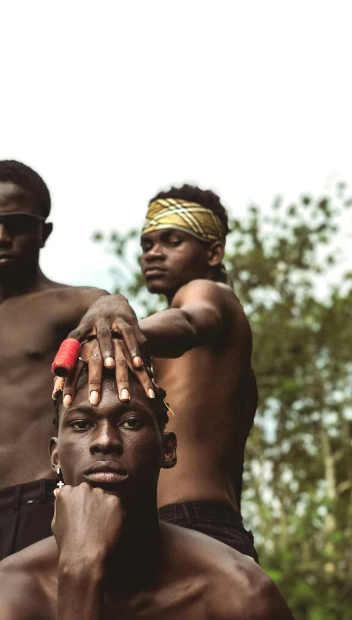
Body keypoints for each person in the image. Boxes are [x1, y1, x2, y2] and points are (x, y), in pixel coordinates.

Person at [0, 160, 145, 620]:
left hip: (36, 505)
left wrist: (114, 302)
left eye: (17, 224)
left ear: (43, 232)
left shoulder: (67, 305)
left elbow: (106, 306)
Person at [0, 365, 294, 620]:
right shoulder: (4, 594)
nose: (105, 440)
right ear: (55, 456)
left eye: (131, 421)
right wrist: (80, 572)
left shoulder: (240, 594)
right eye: (81, 425)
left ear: (167, 450)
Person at [60, 184, 260, 560]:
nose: (154, 252)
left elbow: (189, 322)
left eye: (172, 241)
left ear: (214, 252)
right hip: (208, 525)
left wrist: (120, 325)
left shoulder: (210, 294)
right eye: (147, 243)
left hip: (191, 523)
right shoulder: (226, 356)